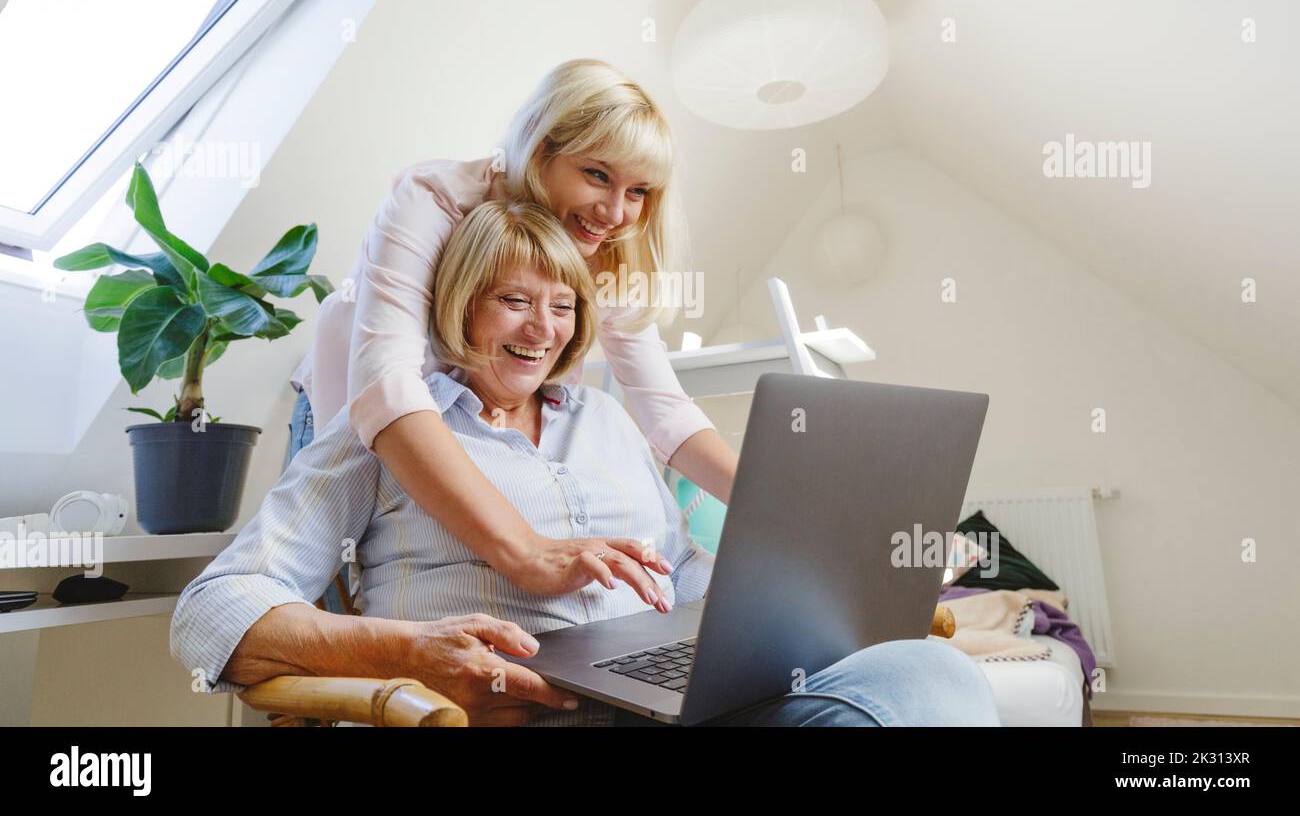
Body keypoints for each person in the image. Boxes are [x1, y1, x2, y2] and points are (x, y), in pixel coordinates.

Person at [172, 201, 1003, 727]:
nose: (544, 330)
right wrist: (405, 652)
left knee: (931, 674)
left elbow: (680, 574)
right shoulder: (387, 431)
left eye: (564, 306)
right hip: (504, 717)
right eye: (514, 301)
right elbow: (211, 612)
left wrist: (811, 594)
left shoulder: (605, 421)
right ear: (458, 305)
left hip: (680, 705)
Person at [293, 58, 737, 600]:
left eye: (639, 191)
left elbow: (663, 407)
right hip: (358, 422)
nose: (616, 211)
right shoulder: (435, 201)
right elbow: (387, 390)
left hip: (488, 436)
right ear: (542, 150)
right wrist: (523, 549)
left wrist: (769, 504)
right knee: (358, 626)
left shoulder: (608, 247)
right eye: (597, 174)